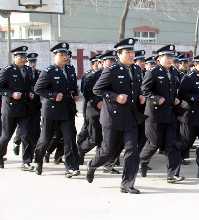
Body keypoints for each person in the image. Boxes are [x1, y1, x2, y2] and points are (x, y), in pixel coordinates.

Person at [86, 38, 142, 194]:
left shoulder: (137, 70)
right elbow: (97, 90)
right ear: (119, 54)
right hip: (113, 117)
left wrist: (141, 96)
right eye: (128, 52)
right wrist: (115, 97)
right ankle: (92, 165)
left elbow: (137, 90)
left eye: (132, 52)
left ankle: (127, 184)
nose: (131, 55)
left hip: (130, 117)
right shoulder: (112, 70)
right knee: (108, 151)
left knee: (132, 150)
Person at [34, 42, 80, 178]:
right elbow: (38, 89)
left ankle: (71, 167)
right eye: (61, 55)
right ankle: (38, 161)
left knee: (69, 139)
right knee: (45, 139)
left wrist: (75, 93)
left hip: (67, 110)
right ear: (55, 56)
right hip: (52, 111)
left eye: (66, 54)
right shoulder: (48, 71)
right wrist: (53, 95)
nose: (64, 57)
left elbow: (72, 86)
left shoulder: (70, 69)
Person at [140, 44, 184, 184]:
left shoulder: (175, 72)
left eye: (172, 56)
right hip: (154, 114)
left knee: (173, 144)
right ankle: (143, 160)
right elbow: (145, 91)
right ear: (159, 59)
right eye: (167, 56)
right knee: (154, 143)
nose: (170, 59)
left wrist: (176, 99)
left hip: (170, 113)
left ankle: (172, 174)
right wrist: (157, 98)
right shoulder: (152, 72)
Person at [0, 46, 35, 170]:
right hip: (10, 109)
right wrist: (11, 94)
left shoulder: (28, 70)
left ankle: (26, 162)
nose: (23, 59)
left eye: (24, 57)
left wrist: (31, 92)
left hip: (24, 108)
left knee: (26, 135)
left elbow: (32, 84)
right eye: (20, 57)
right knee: (5, 136)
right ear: (14, 57)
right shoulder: (7, 70)